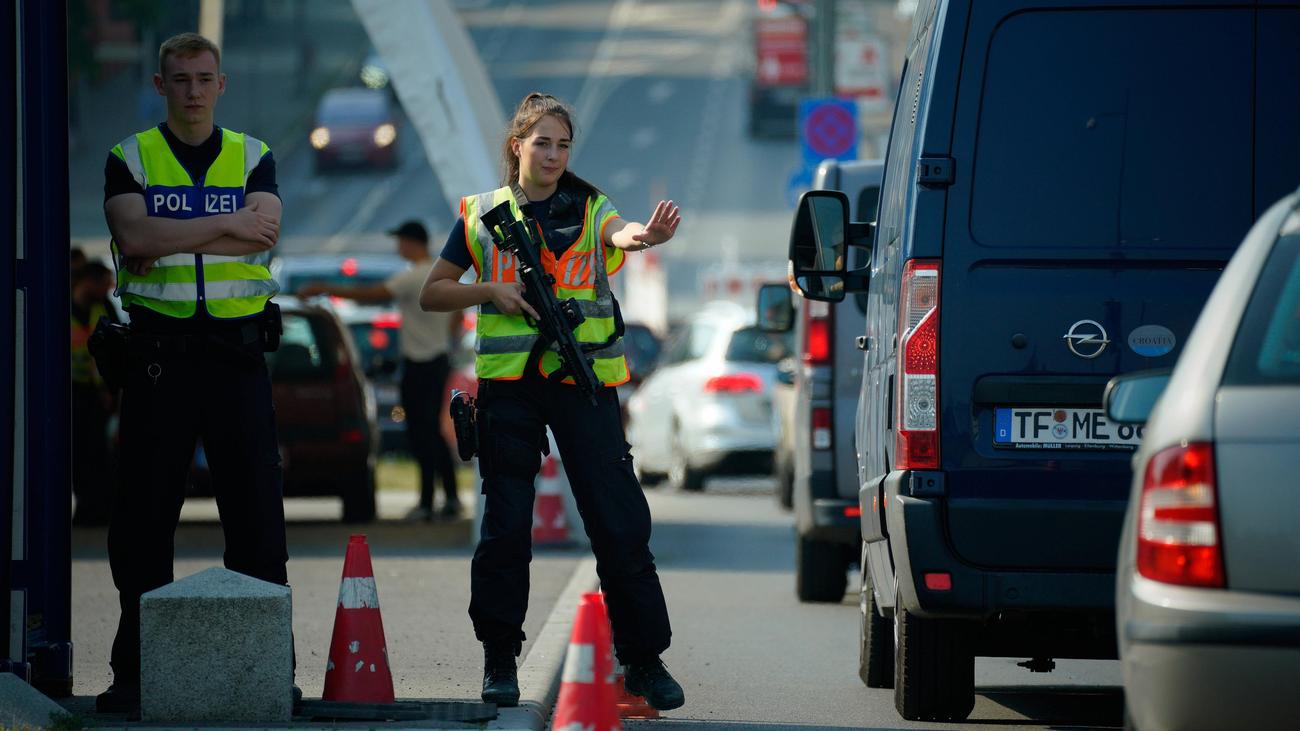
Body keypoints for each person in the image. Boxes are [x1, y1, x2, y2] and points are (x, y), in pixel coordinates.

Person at [419, 92, 685, 711]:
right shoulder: (482, 214)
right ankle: (499, 660)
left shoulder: (592, 207)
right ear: (518, 147)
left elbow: (624, 233)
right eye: (543, 142)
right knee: (507, 526)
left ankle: (643, 663)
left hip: (583, 382)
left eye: (563, 144)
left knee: (618, 521)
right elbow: (434, 292)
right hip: (510, 388)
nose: (554, 154)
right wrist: (494, 291)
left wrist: (647, 235)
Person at [97, 32, 289, 714]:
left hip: (238, 358)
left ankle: (268, 668)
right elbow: (136, 239)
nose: (193, 90)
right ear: (160, 85)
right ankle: (135, 672)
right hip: (159, 361)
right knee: (144, 520)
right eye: (179, 79)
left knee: (258, 519)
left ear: (222, 83)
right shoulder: (131, 157)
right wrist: (226, 222)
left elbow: (262, 231)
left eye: (204, 78)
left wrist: (175, 232)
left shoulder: (252, 154)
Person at [296, 220, 463, 520]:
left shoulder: (415, 276)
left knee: (420, 433)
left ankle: (428, 502)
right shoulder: (442, 275)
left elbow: (372, 295)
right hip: (438, 360)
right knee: (432, 432)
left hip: (420, 364)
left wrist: (324, 288)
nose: (398, 247)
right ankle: (449, 498)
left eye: (400, 241)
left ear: (413, 243)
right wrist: (446, 341)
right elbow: (458, 316)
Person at [70, 261, 119, 526]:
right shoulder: (61, 306)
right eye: (104, 283)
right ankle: (87, 507)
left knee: (100, 454)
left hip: (97, 394)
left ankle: (100, 508)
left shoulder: (103, 307)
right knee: (78, 455)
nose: (107, 289)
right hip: (70, 393)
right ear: (89, 281)